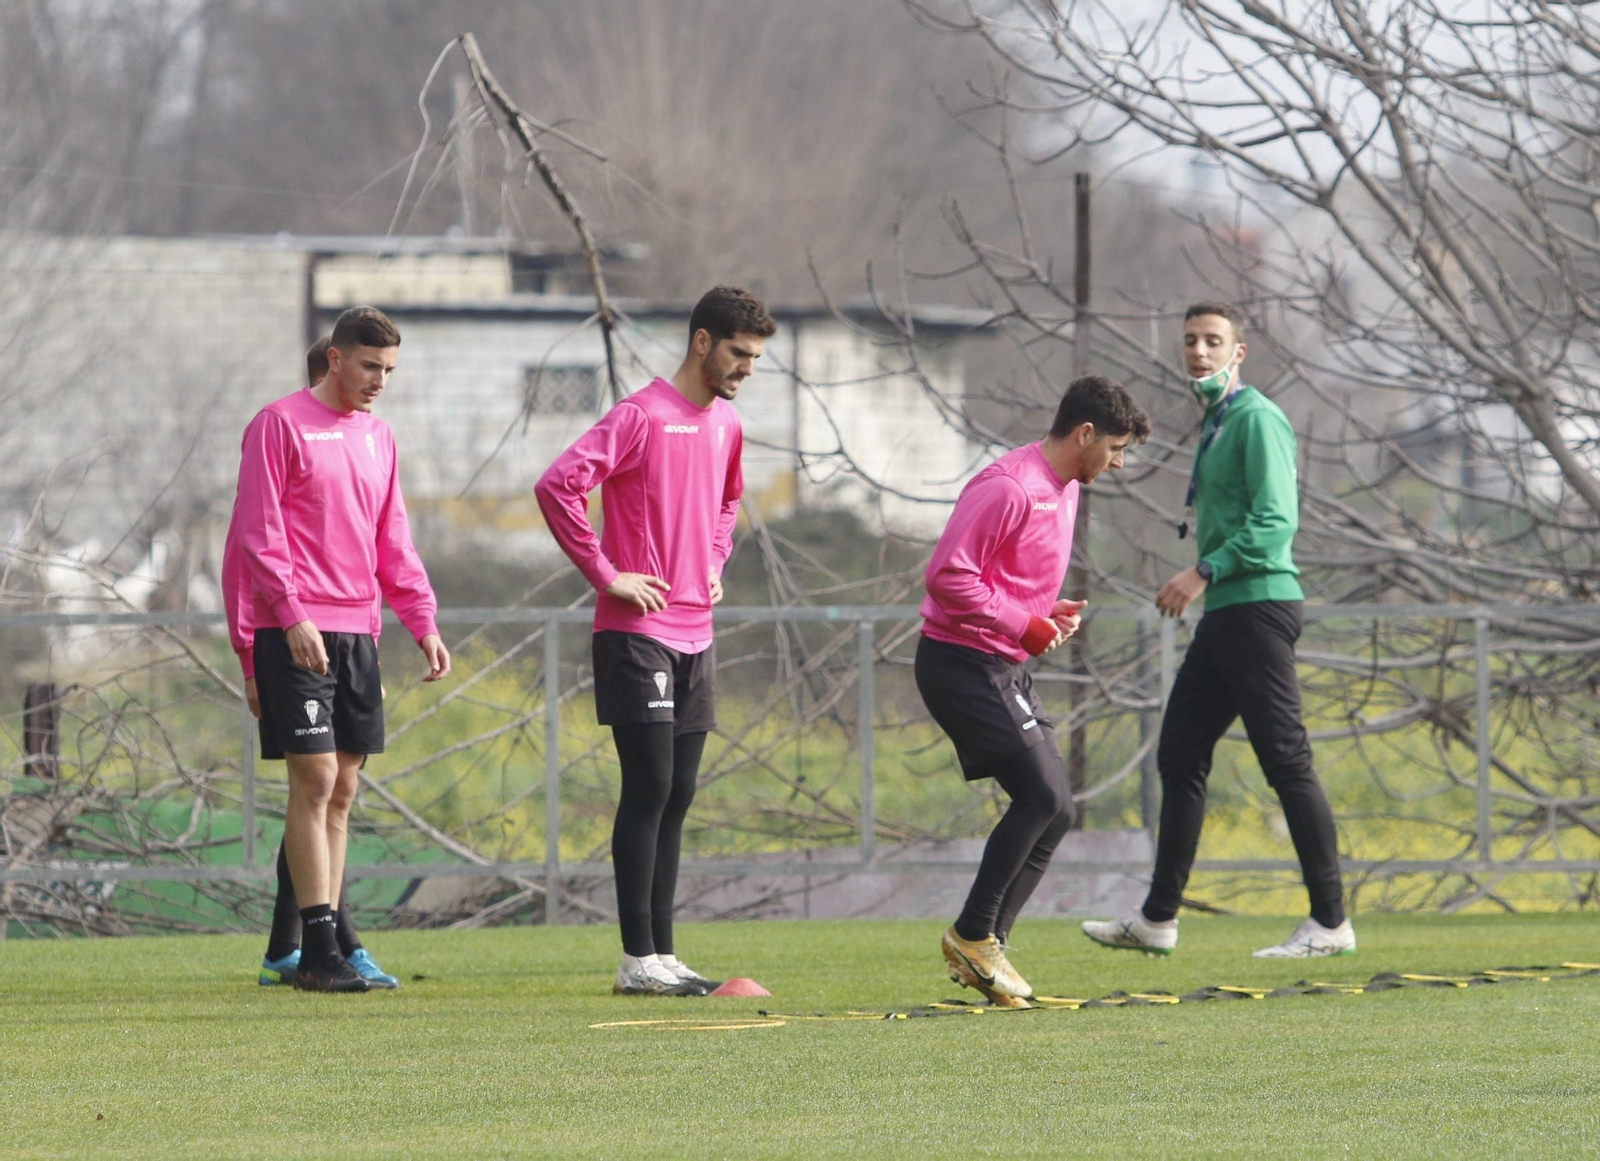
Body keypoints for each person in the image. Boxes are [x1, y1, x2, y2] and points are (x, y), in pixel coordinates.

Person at [1082, 303, 1355, 959]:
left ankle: (1330, 922)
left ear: (1239, 352)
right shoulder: (1219, 420)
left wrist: (1205, 568)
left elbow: (1276, 521)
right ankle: (1157, 920)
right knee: (1179, 754)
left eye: (1212, 340)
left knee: (1286, 761)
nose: (1198, 351)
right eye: (1189, 341)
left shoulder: (1256, 418)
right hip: (1228, 613)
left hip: (1257, 605)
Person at [535, 285, 774, 996]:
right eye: (739, 353)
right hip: (636, 633)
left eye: (755, 358)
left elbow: (728, 501)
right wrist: (607, 574)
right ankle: (636, 958)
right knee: (651, 784)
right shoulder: (639, 416)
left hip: (697, 631)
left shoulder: (726, 425)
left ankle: (664, 957)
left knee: (680, 792)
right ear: (702, 341)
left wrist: (714, 558)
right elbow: (557, 486)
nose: (747, 368)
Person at [223, 307, 450, 992]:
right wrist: (287, 617)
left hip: (359, 632)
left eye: (389, 369)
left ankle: (312, 949)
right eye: (370, 366)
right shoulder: (279, 424)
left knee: (343, 789)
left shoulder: (379, 437)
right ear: (335, 359)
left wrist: (423, 621)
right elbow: (258, 532)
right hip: (295, 630)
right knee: (315, 778)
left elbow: (393, 540)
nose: (380, 380)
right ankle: (320, 951)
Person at [920, 375, 1149, 1008]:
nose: (1120, 463)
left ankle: (986, 947)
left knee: (1059, 810)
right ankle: (973, 935)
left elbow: (1003, 577)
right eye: (1116, 449)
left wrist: (1044, 610)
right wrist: (1023, 622)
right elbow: (946, 576)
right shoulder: (1009, 486)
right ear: (1085, 434)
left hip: (1000, 662)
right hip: (960, 663)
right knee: (1042, 794)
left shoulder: (1065, 486)